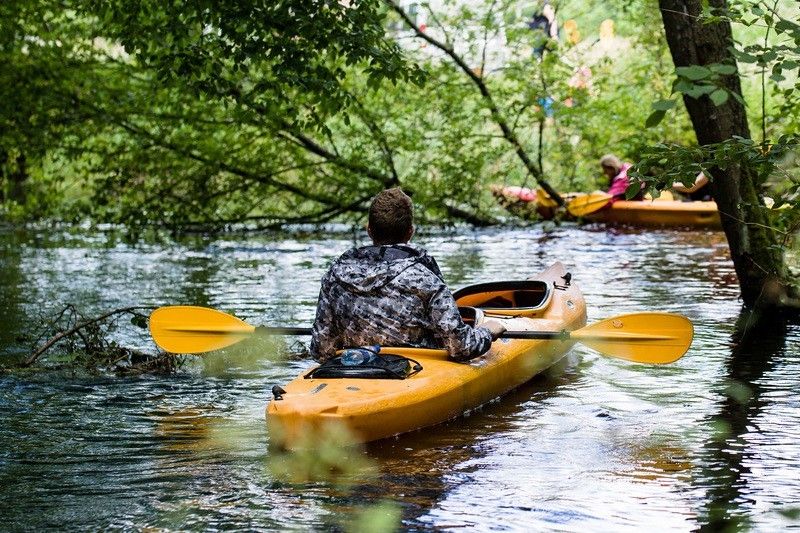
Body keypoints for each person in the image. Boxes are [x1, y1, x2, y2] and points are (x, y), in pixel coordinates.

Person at [310, 188, 506, 362]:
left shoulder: (335, 275)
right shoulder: (425, 280)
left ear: (369, 230)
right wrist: (487, 331)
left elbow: (321, 351)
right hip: (417, 372)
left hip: (354, 368)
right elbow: (460, 347)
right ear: (410, 232)